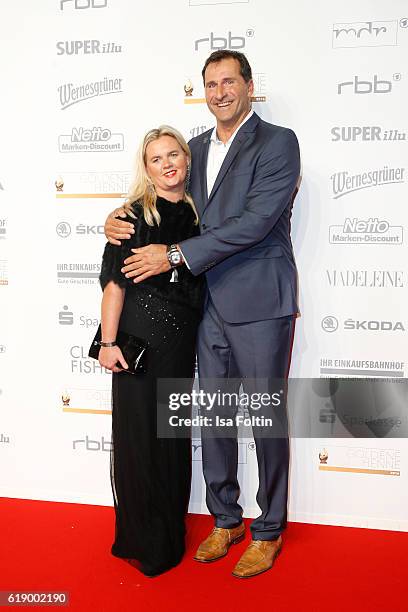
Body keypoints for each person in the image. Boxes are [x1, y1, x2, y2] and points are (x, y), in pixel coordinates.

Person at [104, 50, 300, 578]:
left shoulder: (278, 143)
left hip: (260, 301)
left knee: (262, 418)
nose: (220, 92)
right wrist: (118, 217)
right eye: (211, 84)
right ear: (204, 91)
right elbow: (161, 196)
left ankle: (269, 528)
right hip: (205, 307)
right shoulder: (191, 149)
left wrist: (172, 256)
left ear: (250, 85)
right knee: (214, 417)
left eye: (229, 82)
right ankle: (225, 517)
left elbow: (258, 222)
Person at [98, 125, 204, 577]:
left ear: (187, 157)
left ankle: (168, 533)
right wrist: (107, 342)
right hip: (139, 344)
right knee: (140, 441)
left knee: (172, 442)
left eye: (174, 154)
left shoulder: (201, 216)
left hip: (180, 348)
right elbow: (114, 286)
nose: (168, 164)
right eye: (157, 158)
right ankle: (144, 540)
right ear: (146, 168)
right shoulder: (133, 217)